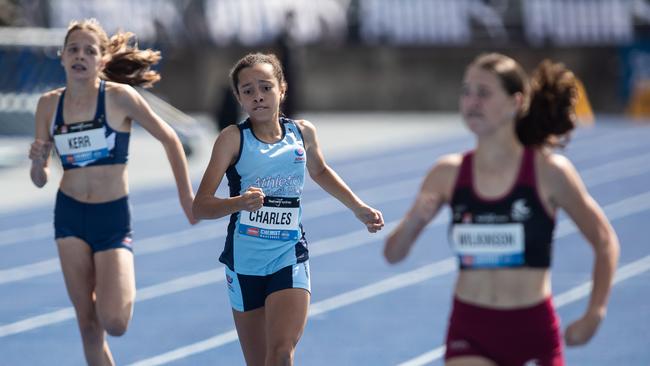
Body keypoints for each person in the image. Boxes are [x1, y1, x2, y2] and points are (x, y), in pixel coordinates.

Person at [384, 53, 619, 366]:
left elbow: (604, 240)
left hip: (532, 330)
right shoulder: (447, 174)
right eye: (466, 92)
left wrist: (595, 312)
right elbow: (393, 254)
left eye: (484, 93)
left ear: (515, 102)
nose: (472, 101)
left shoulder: (549, 173)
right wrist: (414, 223)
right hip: (471, 329)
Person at [192, 52, 384, 366]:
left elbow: (320, 171)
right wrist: (239, 202)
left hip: (288, 254)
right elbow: (200, 206)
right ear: (239, 98)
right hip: (244, 263)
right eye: (248, 90)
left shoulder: (302, 132)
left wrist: (357, 207)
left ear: (282, 89)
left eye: (265, 87)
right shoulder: (231, 140)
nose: (258, 96)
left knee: (281, 354)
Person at [28, 19, 197, 365]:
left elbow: (170, 139)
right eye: (73, 49)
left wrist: (187, 199)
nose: (80, 55)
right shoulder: (48, 105)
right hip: (70, 216)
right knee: (88, 326)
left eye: (89, 50)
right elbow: (40, 179)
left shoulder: (119, 98)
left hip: (112, 219)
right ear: (61, 57)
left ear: (101, 61)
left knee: (114, 322)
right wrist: (37, 163)